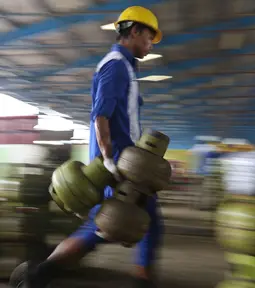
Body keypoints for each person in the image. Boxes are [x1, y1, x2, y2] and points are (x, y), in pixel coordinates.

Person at [19, 6, 163, 288]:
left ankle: (39, 276)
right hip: (119, 165)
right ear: (134, 31)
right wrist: (109, 159)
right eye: (148, 38)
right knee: (112, 227)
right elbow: (101, 116)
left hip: (127, 164)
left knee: (111, 227)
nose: (149, 45)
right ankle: (39, 275)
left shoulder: (126, 68)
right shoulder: (115, 65)